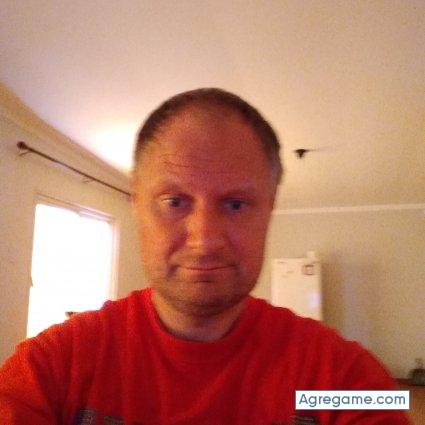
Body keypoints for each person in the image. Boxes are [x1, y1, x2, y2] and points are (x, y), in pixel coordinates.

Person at [0, 88, 410, 424]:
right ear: (137, 204)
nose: (205, 240)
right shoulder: (49, 370)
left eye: (235, 204)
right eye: (175, 201)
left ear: (269, 210)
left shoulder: (346, 380)